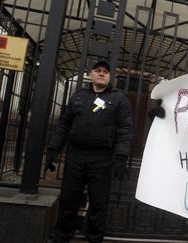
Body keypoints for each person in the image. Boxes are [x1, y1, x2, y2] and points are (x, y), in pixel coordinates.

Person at [44, 60, 133, 243]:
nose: (102, 73)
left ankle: (94, 239)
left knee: (98, 205)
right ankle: (61, 238)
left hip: (102, 159)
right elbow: (64, 125)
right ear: (90, 75)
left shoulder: (119, 99)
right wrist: (54, 149)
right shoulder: (78, 97)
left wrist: (121, 156)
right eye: (98, 71)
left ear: (110, 77)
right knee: (68, 201)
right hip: (76, 156)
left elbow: (125, 129)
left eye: (106, 72)